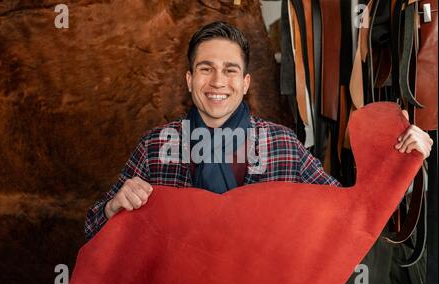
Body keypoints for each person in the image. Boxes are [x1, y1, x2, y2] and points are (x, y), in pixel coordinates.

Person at [85, 21, 433, 240]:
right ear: (190, 81)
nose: (218, 81)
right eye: (205, 69)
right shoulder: (155, 146)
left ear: (246, 82)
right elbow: (91, 230)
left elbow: (350, 214)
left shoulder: (283, 145)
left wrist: (403, 163)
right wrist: (113, 207)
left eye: (230, 70)